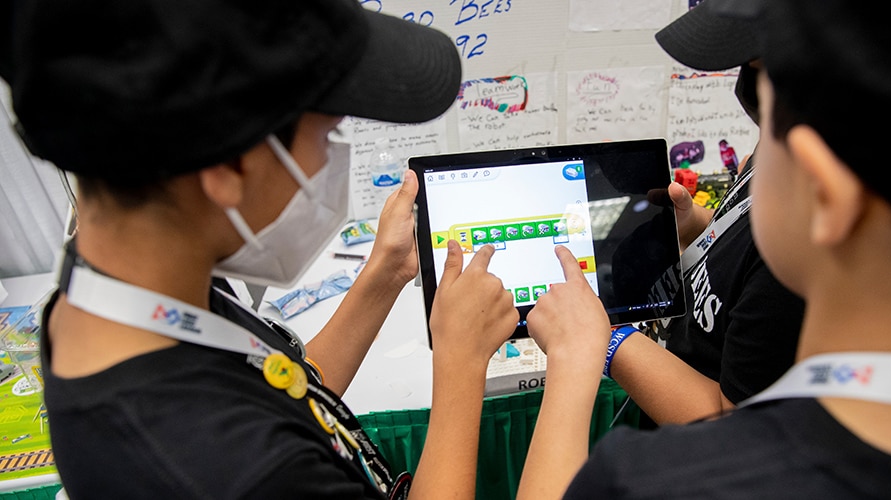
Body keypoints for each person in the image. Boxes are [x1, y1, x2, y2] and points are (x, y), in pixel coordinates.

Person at [1, 1, 520, 498]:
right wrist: (461, 363)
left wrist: (384, 273)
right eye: (328, 134)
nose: (330, 161)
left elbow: (281, 392)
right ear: (228, 165)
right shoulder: (233, 472)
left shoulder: (126, 290)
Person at [517, 0, 891, 497]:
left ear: (822, 190)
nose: (750, 153)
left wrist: (588, 345)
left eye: (766, 123)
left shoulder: (645, 481)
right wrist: (702, 232)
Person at [606, 0, 805, 426]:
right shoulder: (775, 145)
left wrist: (606, 338)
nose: (745, 78)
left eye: (755, 62)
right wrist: (693, 226)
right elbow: (740, 249)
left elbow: (733, 425)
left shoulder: (798, 242)